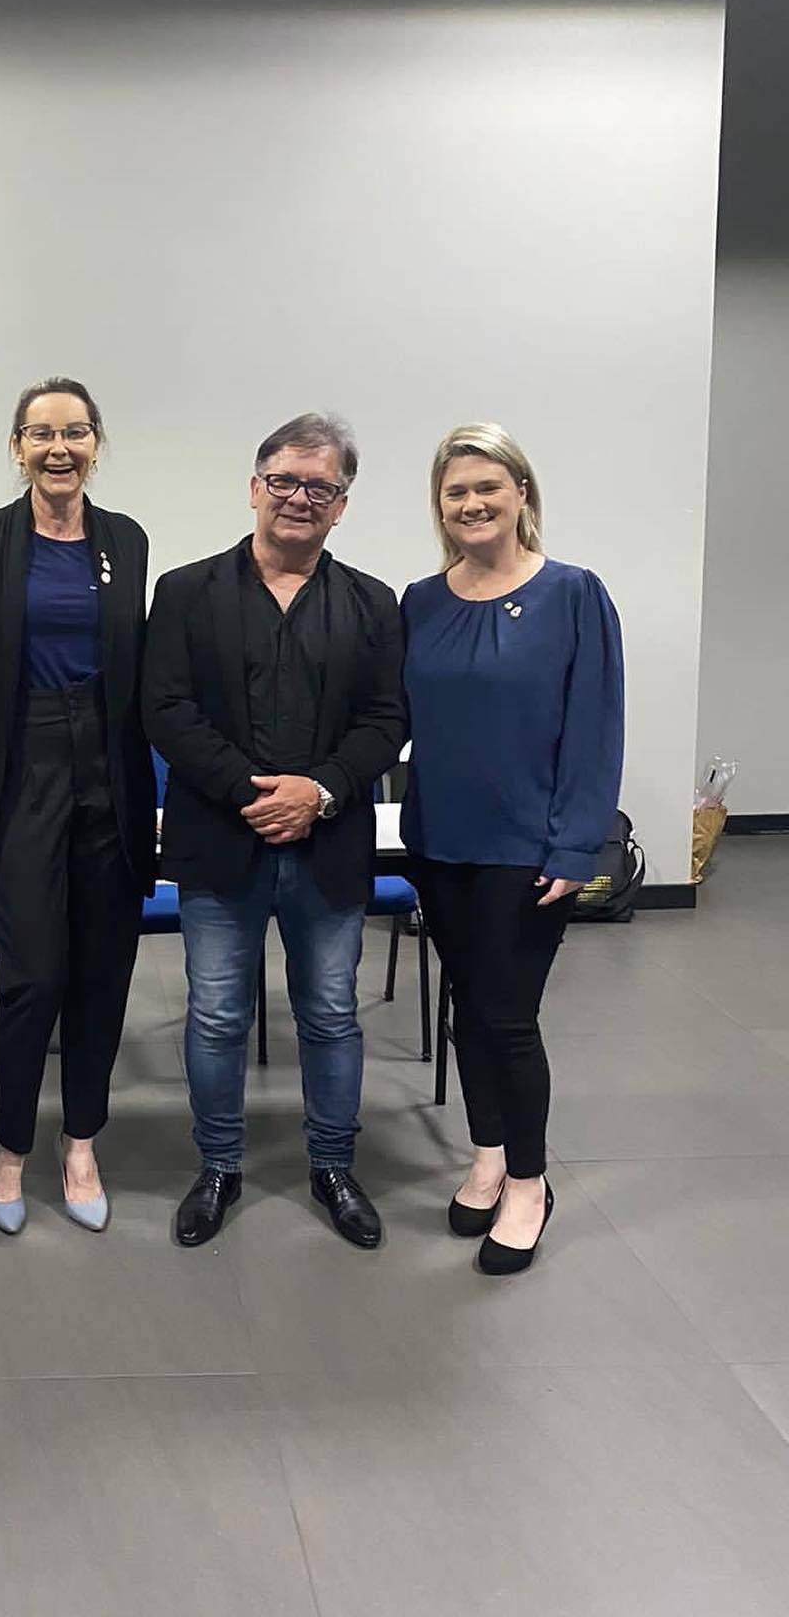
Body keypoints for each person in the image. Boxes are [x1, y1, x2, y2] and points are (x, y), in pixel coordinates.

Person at [144, 414, 406, 1250]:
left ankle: (332, 1165)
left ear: (341, 506)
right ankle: (219, 1165)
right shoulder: (185, 592)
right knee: (218, 1014)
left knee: (330, 1013)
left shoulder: (373, 603)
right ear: (255, 487)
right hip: (222, 839)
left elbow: (387, 718)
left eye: (320, 487)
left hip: (327, 844)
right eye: (285, 481)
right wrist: (253, 793)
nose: (300, 498)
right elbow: (166, 709)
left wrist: (320, 792)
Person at [402, 423, 623, 1276]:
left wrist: (576, 846)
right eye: (456, 492)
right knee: (465, 1010)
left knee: (506, 1016)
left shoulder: (574, 594)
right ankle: (487, 1151)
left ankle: (529, 1183)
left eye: (488, 486)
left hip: (528, 849)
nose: (472, 503)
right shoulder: (422, 599)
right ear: (441, 507)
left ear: (521, 493)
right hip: (440, 841)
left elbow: (597, 729)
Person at [0, 377, 156, 1235]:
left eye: (75, 432)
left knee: (103, 972)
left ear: (97, 445)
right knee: (31, 976)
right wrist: (21, 709)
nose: (59, 448)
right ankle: (8, 1144)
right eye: (41, 434)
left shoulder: (126, 540)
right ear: (17, 449)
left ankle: (80, 1142)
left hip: (110, 771)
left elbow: (136, 659)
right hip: (24, 764)